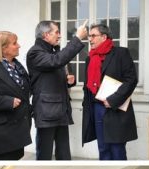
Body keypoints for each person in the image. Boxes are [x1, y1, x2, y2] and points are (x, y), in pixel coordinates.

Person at [26, 20, 88, 160]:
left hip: (60, 110)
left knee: (64, 154)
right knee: (44, 155)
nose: (59, 35)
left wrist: (69, 82)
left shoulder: (53, 52)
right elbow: (56, 61)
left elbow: (54, 74)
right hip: (46, 112)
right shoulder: (35, 53)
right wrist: (77, 38)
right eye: (57, 32)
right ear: (46, 35)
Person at [82, 24, 138, 160]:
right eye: (89, 36)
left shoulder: (121, 53)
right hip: (97, 108)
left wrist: (112, 100)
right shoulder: (90, 58)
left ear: (104, 37)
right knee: (103, 149)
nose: (90, 39)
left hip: (115, 108)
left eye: (93, 36)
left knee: (117, 149)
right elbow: (88, 86)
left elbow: (131, 80)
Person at [0, 31, 32, 160]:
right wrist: (7, 101)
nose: (19, 46)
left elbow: (26, 89)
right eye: (14, 43)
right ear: (3, 48)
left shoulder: (17, 66)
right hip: (3, 131)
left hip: (20, 127)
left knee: (16, 158)